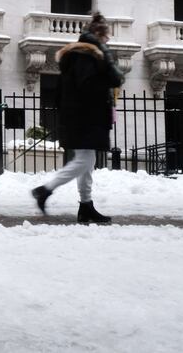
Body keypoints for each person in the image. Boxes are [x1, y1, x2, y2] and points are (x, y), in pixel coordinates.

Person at [32, 12, 124, 223]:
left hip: (79, 117)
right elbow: (88, 86)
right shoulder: (87, 56)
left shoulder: (79, 55)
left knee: (86, 161)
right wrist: (109, 76)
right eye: (106, 35)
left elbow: (61, 92)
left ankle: (86, 206)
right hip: (86, 117)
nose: (108, 39)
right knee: (86, 160)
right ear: (98, 35)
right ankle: (45, 190)